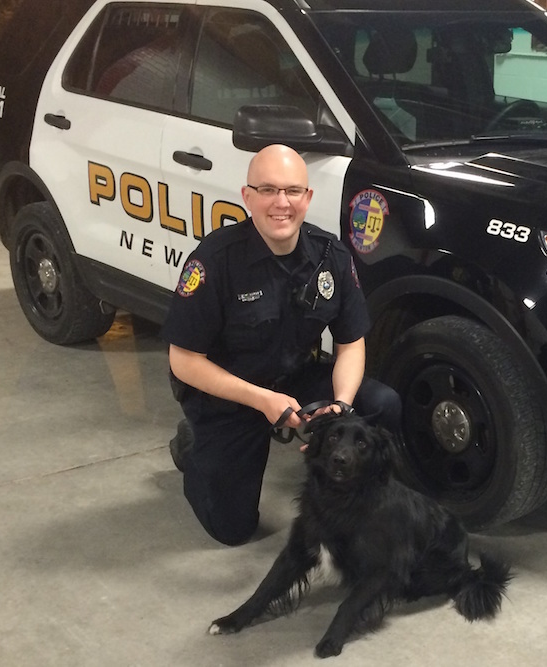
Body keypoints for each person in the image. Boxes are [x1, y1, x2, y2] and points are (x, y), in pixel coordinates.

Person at [160, 144, 401, 546]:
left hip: (295, 380)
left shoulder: (331, 257)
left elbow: (351, 343)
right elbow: (183, 361)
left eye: (292, 191)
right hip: (229, 399)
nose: (281, 203)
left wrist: (340, 405)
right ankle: (193, 447)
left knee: (381, 403)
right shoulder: (215, 261)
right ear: (247, 197)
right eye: (268, 190)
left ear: (307, 198)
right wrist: (262, 401)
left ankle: (352, 496)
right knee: (232, 528)